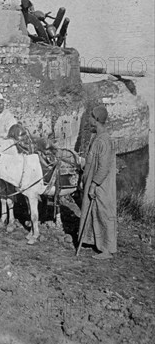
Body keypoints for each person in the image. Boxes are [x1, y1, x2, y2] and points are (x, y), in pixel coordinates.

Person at [77, 105, 117, 260]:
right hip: (92, 182)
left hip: (101, 186)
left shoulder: (104, 141)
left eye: (91, 117)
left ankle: (107, 250)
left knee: (103, 213)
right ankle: (94, 241)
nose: (89, 119)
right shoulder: (97, 138)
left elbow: (104, 167)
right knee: (92, 211)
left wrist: (94, 184)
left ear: (97, 120)